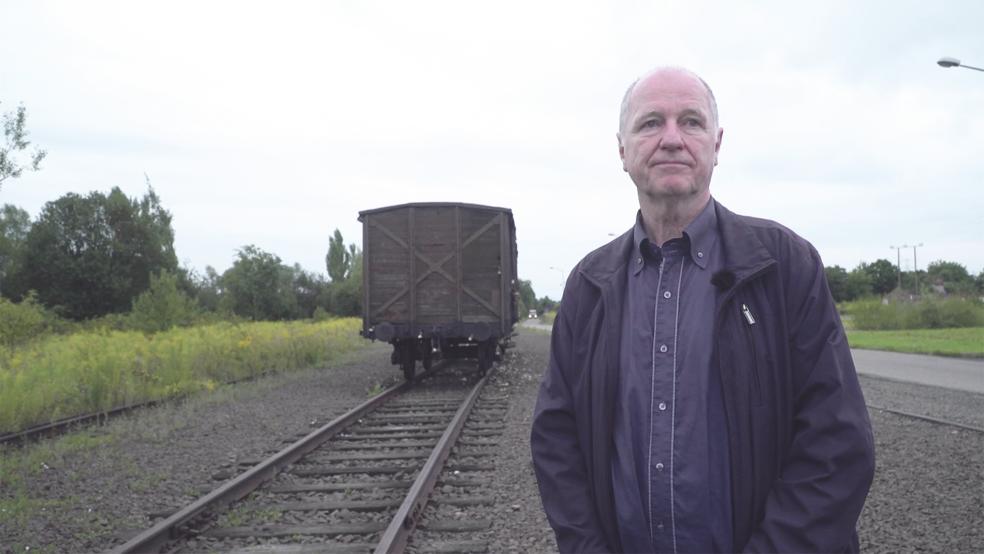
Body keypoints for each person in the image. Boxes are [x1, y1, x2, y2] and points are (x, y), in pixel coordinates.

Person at [530, 66, 875, 553]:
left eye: (691, 121)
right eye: (651, 122)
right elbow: (556, 441)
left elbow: (836, 442)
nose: (672, 138)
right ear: (622, 150)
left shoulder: (783, 265)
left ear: (717, 143)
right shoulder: (589, 284)